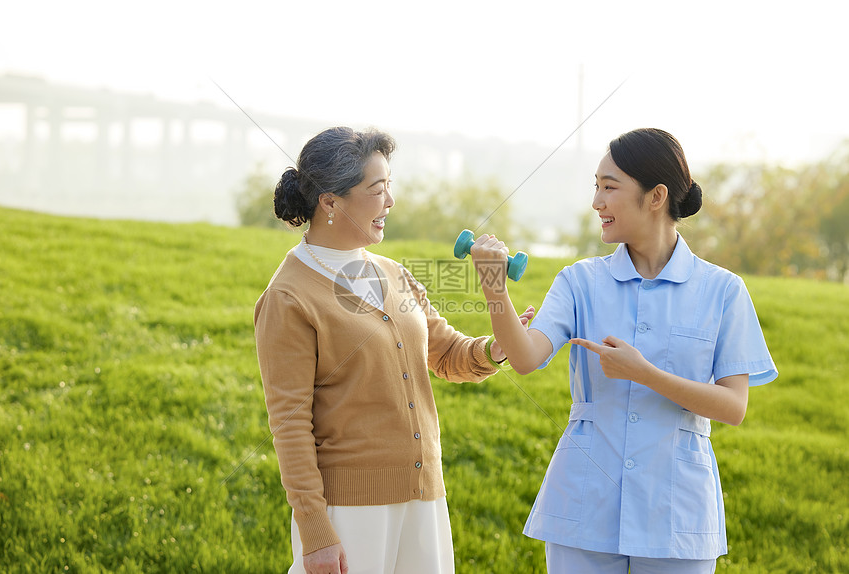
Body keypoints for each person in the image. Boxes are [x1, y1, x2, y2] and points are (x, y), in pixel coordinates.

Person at [469, 128, 777, 573]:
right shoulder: (580, 280)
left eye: (609, 187)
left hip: (676, 516)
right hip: (583, 507)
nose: (597, 202)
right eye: (595, 186)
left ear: (656, 196)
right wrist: (494, 288)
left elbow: (733, 406)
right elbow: (525, 357)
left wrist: (645, 373)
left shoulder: (722, 291)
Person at [253, 126, 531, 574]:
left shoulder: (393, 273)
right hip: (351, 512)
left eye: (389, 187)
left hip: (424, 497)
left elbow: (444, 354)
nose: (390, 201)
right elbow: (289, 426)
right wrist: (316, 532)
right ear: (330, 202)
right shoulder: (289, 297)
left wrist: (495, 349)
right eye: (376, 189)